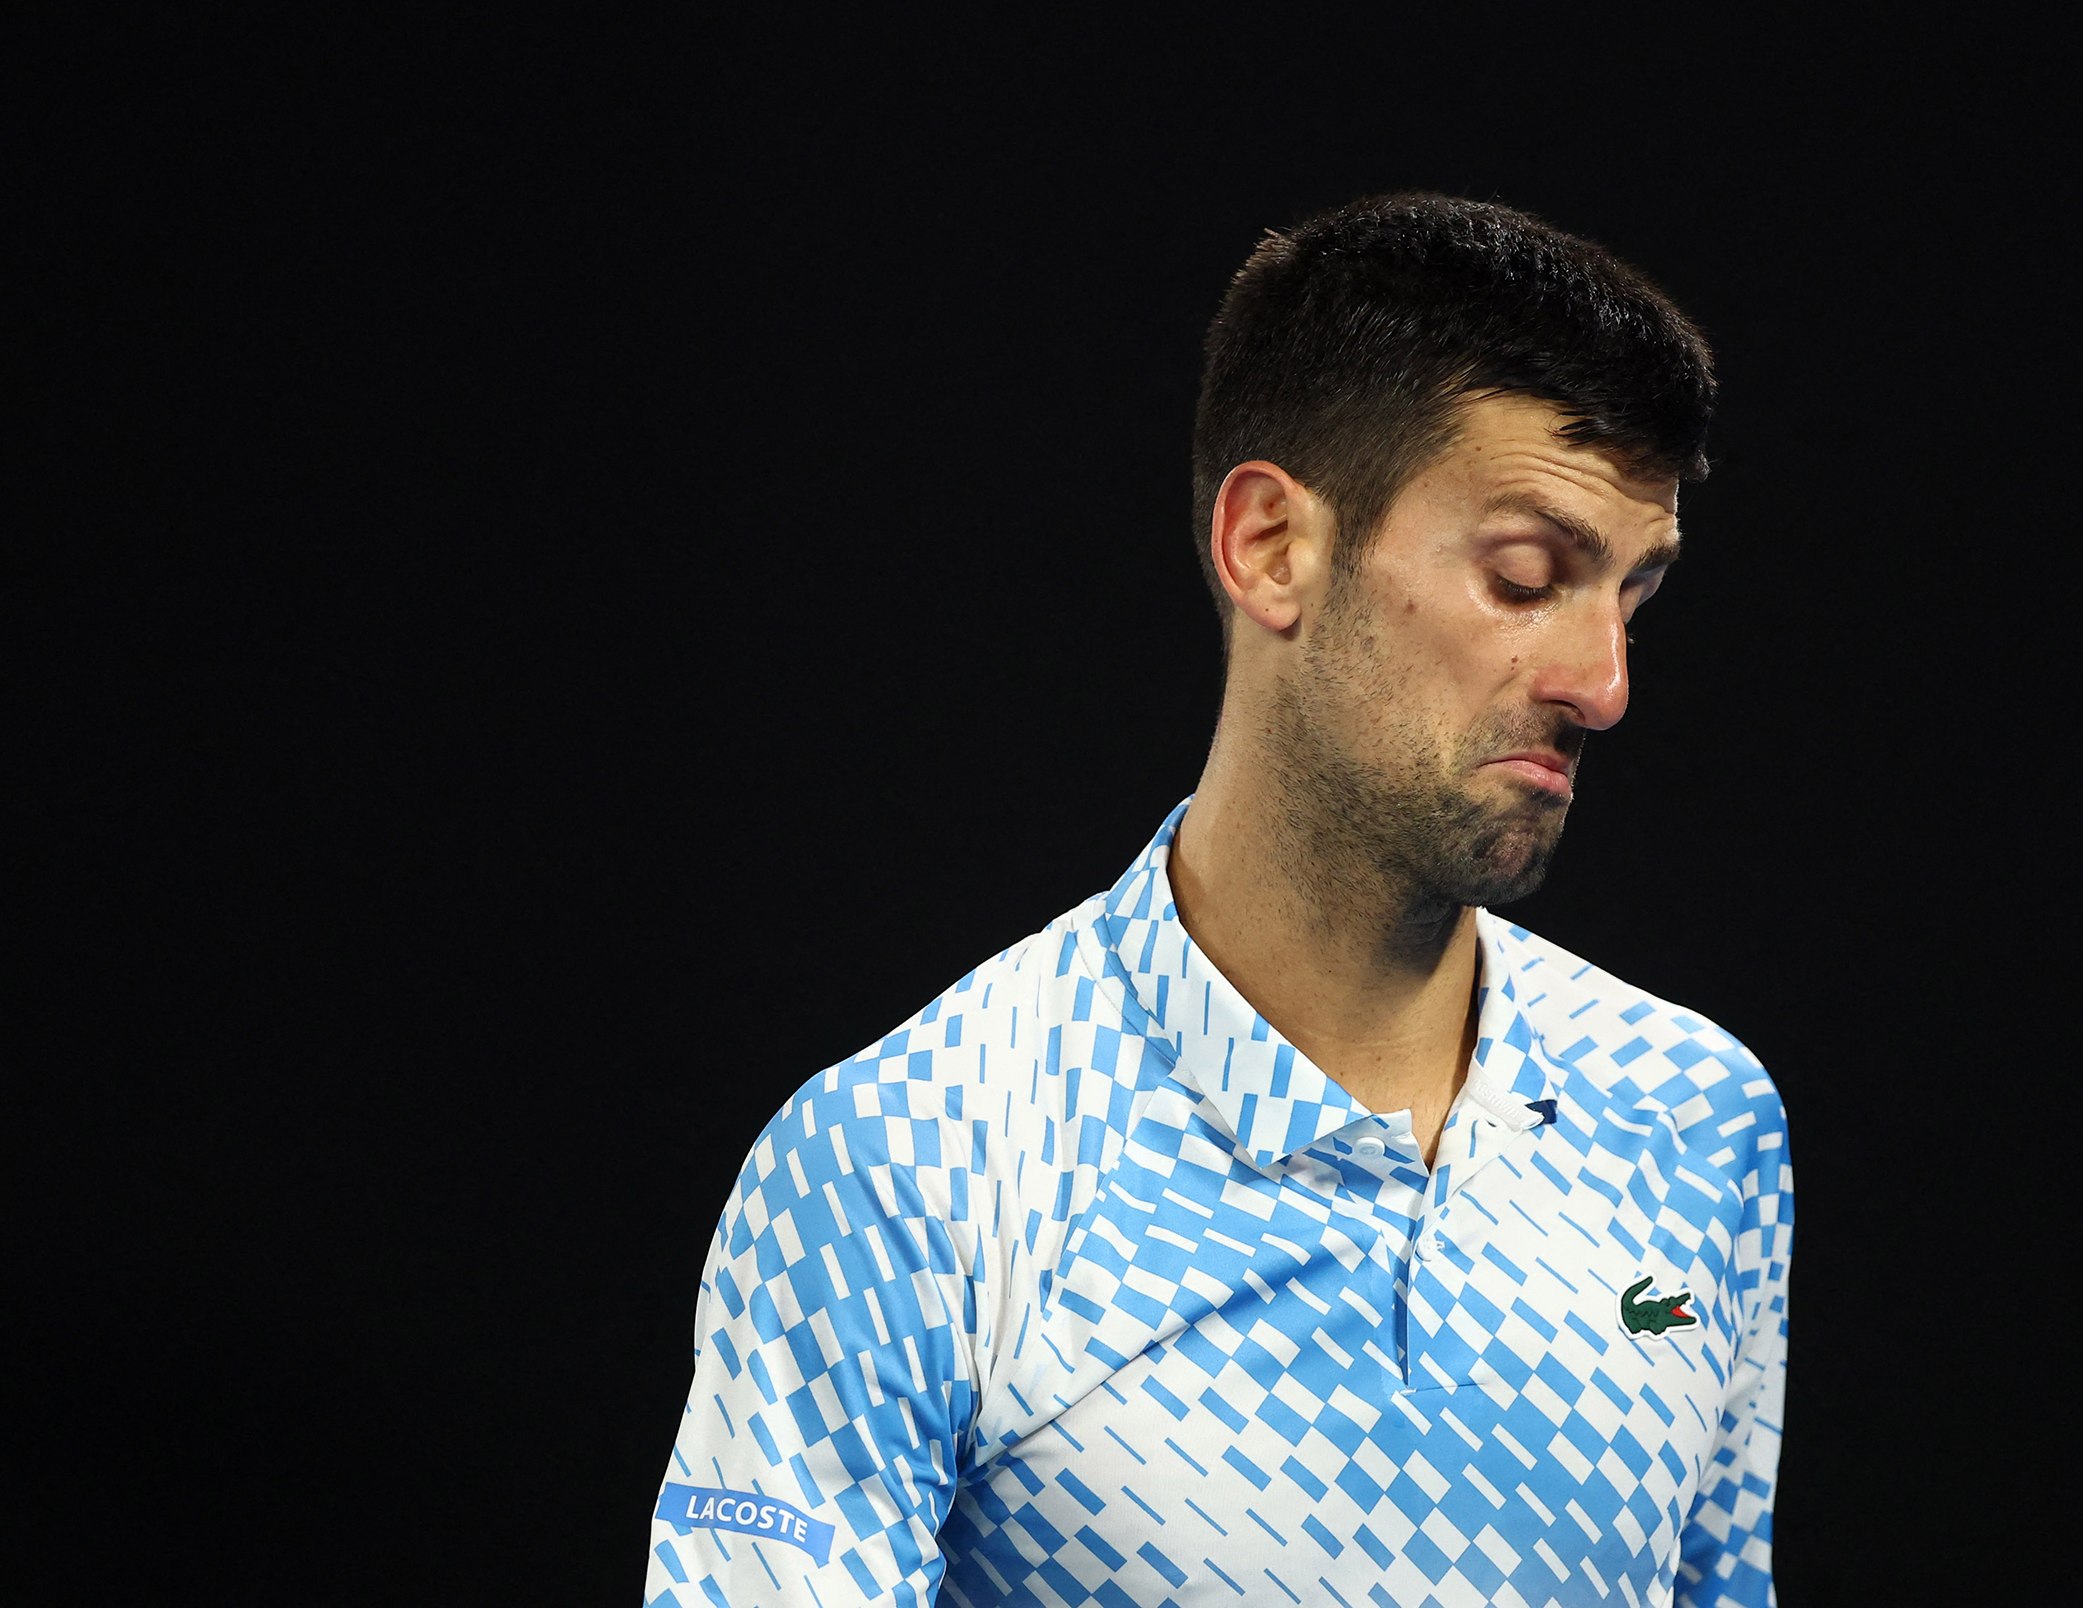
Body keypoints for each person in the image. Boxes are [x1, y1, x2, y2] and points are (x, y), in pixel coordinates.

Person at [645, 193, 1790, 1608]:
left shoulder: (1697, 1119)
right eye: (1527, 577)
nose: (1604, 686)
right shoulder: (906, 1174)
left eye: (1635, 596)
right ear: (1270, 548)